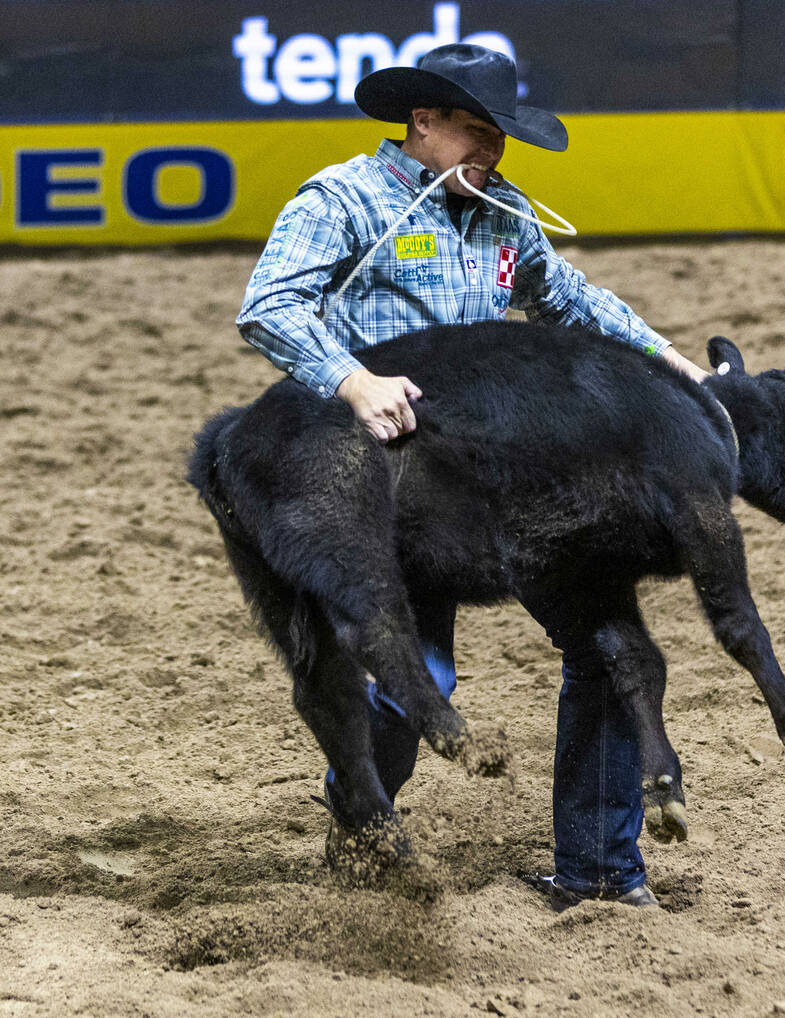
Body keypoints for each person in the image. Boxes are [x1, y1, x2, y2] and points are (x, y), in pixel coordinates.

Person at [236, 43, 709, 911]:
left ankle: (601, 875)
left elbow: (568, 299)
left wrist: (676, 367)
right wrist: (355, 380)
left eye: (501, 137)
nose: (491, 153)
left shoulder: (503, 211)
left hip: (512, 474)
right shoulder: (339, 199)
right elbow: (269, 306)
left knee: (609, 648)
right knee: (419, 683)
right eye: (474, 132)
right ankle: (360, 815)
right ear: (422, 123)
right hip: (394, 481)